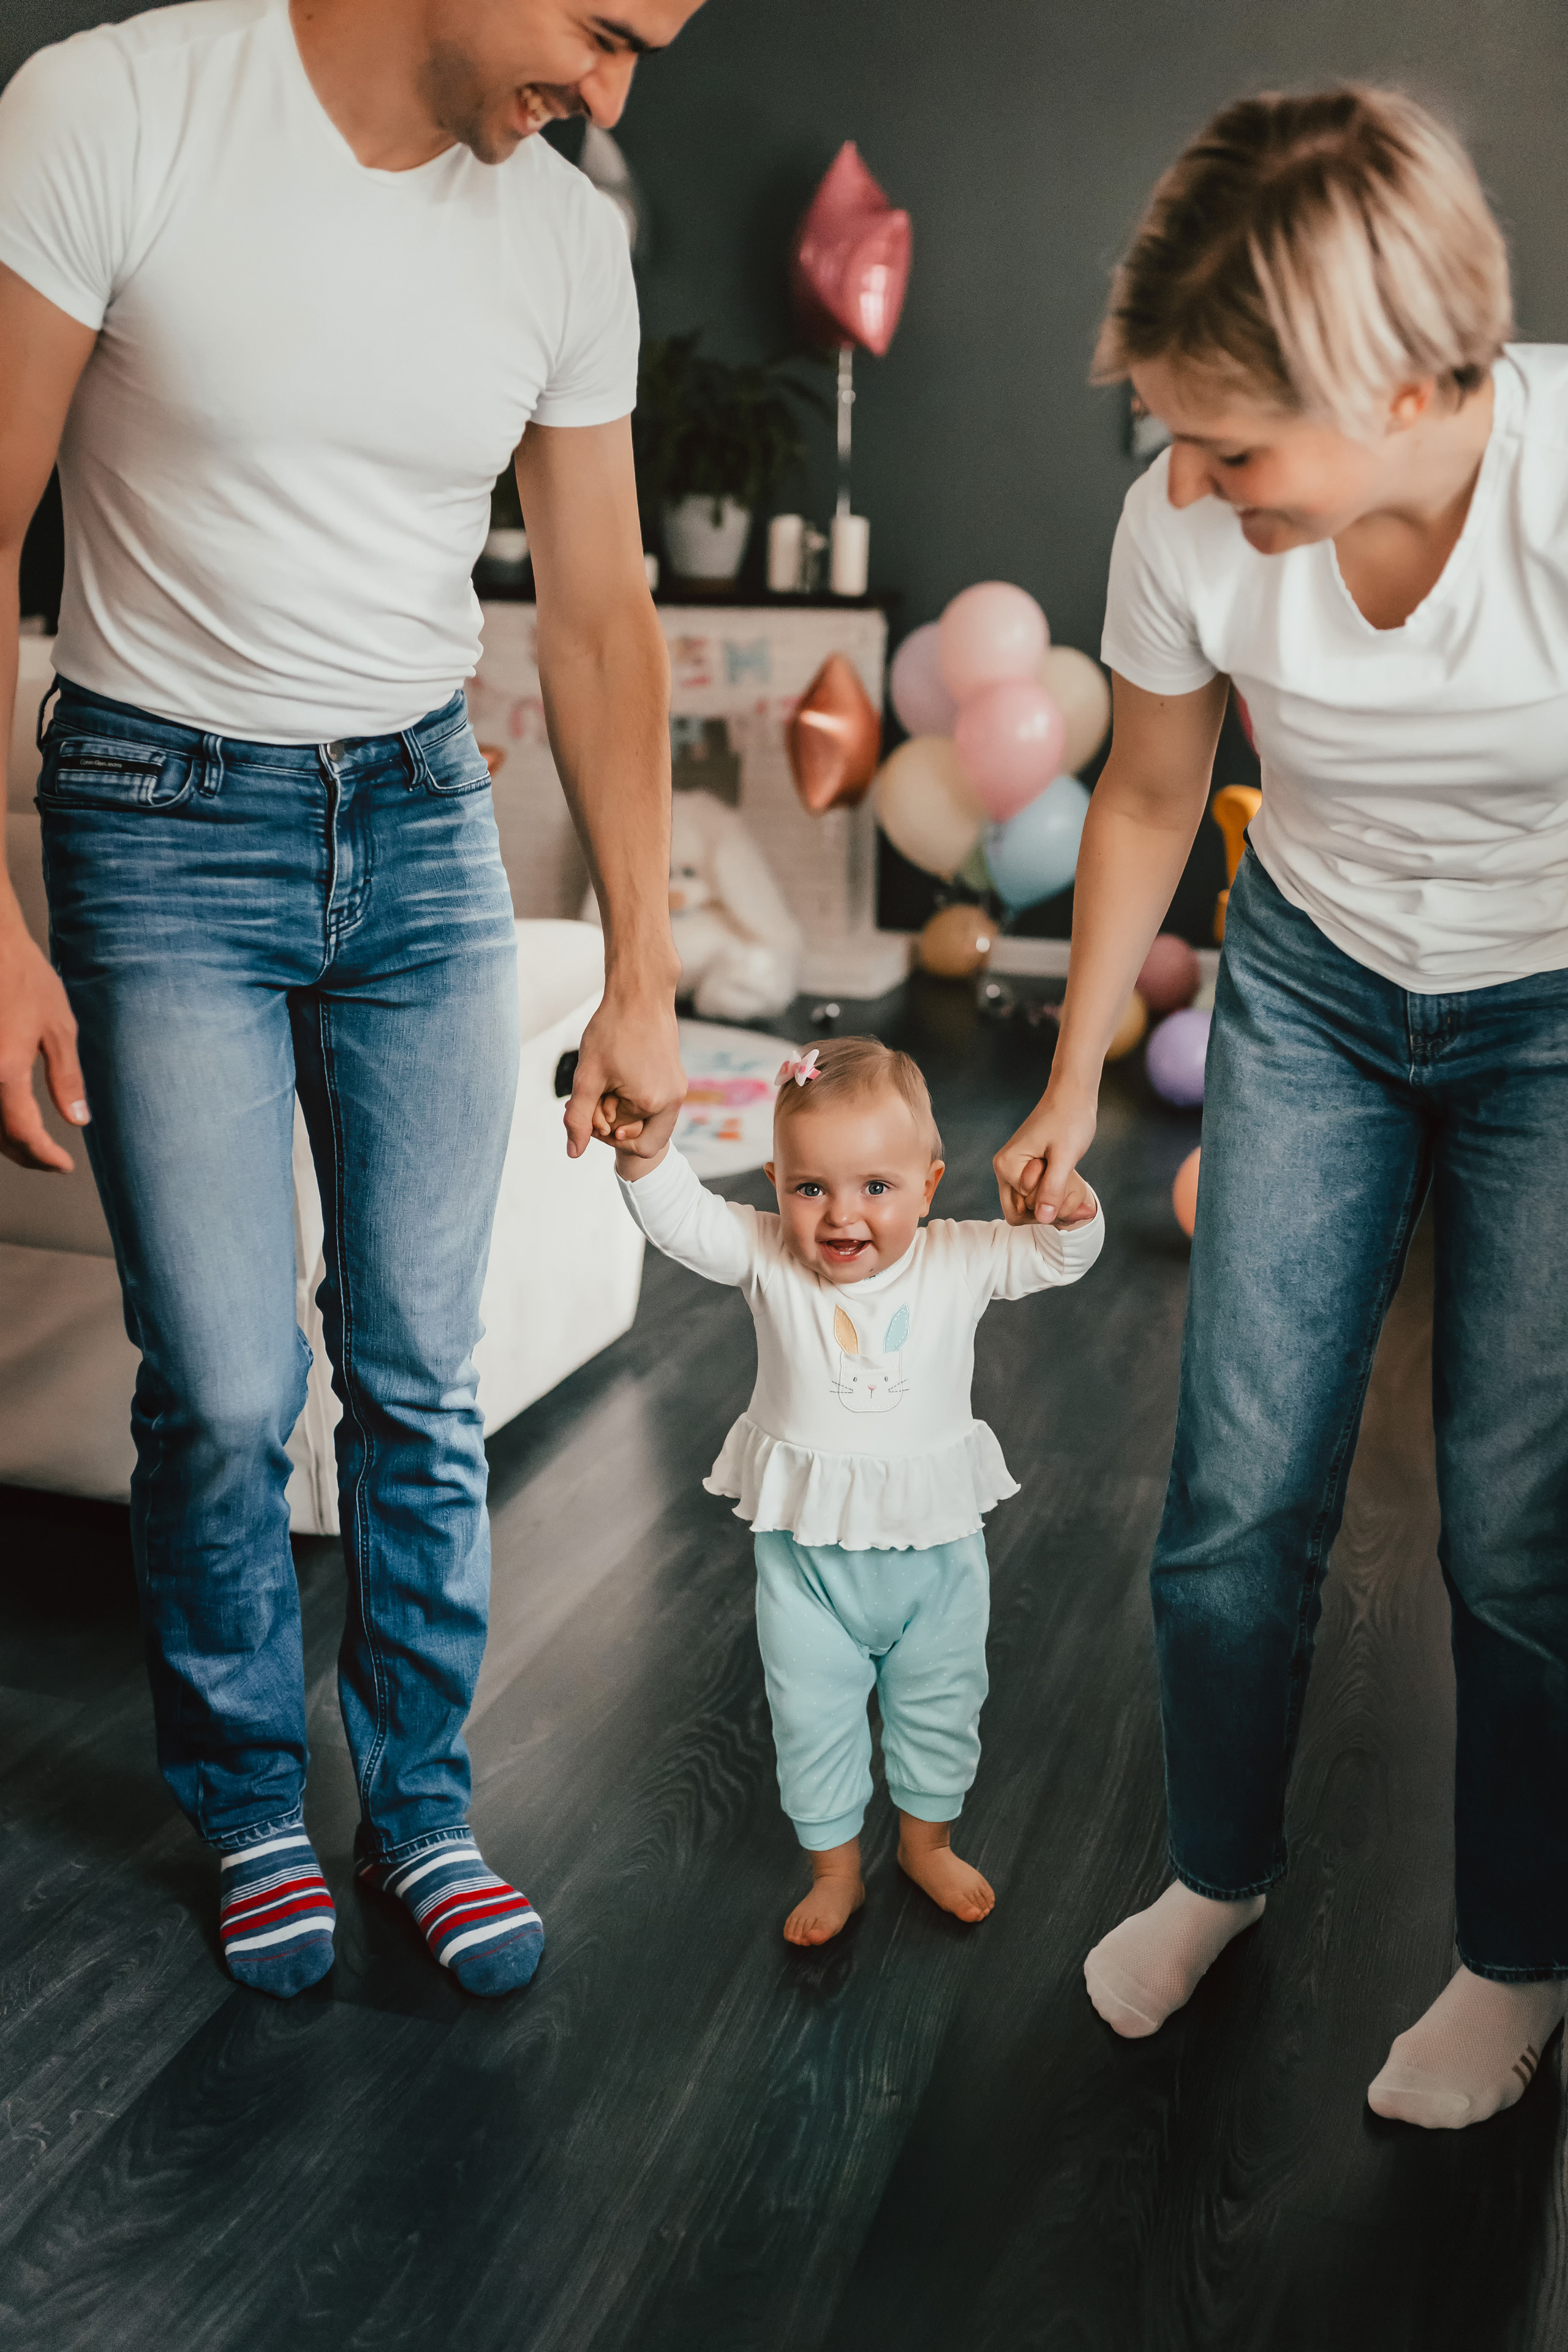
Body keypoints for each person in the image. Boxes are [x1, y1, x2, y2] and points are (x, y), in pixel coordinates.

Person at [0, 0, 704, 1998]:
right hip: (155, 824)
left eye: (655, 47)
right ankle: (242, 1797)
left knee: (420, 1368)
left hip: (415, 833)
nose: (613, 90)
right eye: (604, 27)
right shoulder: (113, 112)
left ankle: (415, 1805)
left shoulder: (565, 238)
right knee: (222, 1392)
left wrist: (646, 972)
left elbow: (599, 611)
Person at [996, 86, 1568, 2129]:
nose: (1188, 474)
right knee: (1237, 1492)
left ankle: (1514, 1958)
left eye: (1230, 440)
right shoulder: (1187, 524)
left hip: (1554, 1011)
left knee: (1516, 1525)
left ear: (1405, 384)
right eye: (1174, 430)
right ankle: (1216, 1873)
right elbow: (1151, 790)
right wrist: (1071, 1075)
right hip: (1313, 985)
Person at [617, 1036, 1104, 1945]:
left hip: (937, 1561)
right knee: (811, 1714)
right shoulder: (767, 1256)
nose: (842, 1215)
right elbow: (683, 1221)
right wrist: (647, 1158)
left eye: (877, 1188)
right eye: (811, 1189)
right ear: (776, 1184)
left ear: (929, 1183)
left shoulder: (960, 1257)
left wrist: (1070, 1210)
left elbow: (1056, 1259)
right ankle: (835, 1867)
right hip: (806, 1567)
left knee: (941, 1702)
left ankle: (926, 1844)